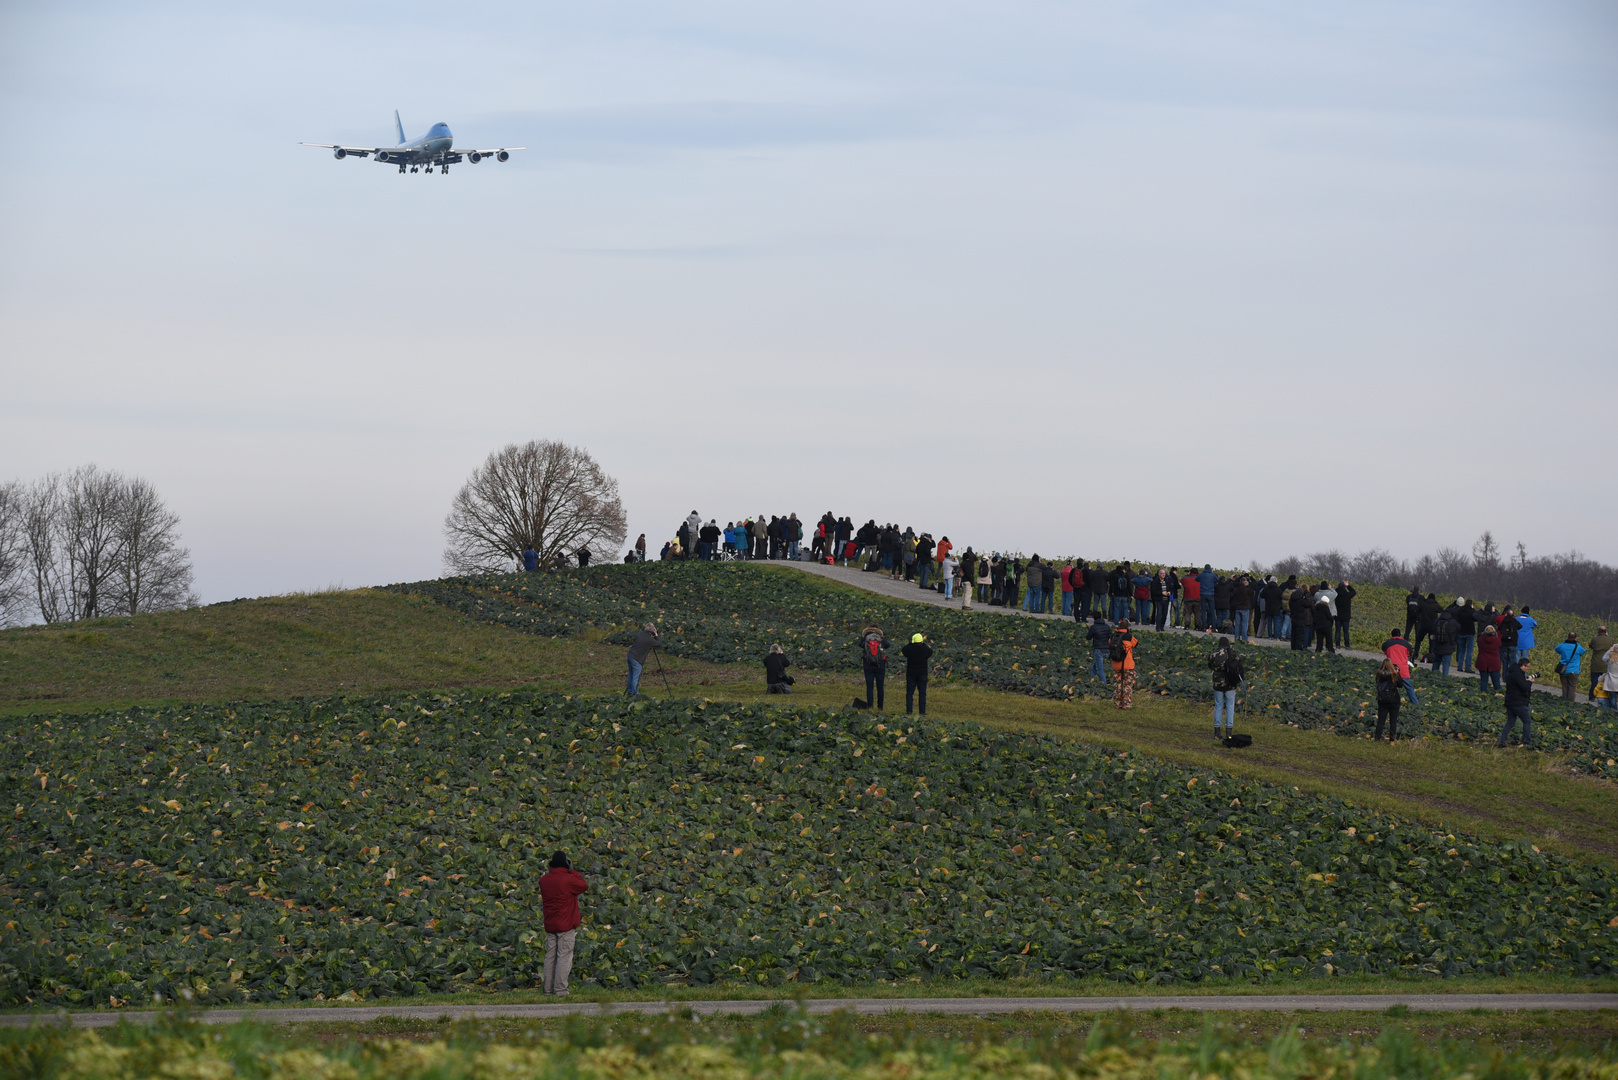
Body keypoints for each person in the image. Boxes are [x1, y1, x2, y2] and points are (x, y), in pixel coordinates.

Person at [539, 851, 588, 996]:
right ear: (565, 863)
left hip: (550, 923)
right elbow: (583, 886)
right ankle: (560, 990)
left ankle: (548, 990)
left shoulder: (544, 880)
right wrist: (572, 871)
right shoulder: (568, 879)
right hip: (566, 924)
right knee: (564, 956)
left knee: (550, 957)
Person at [1209, 636, 1243, 742]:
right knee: (1229, 707)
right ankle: (1229, 732)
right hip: (1230, 684)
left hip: (1218, 683)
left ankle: (1217, 732)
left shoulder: (1213, 654)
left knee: (1218, 706)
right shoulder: (1231, 653)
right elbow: (1240, 662)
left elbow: (1210, 665)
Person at [1500, 657, 1535, 747]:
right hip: (1518, 702)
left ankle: (1502, 741)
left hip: (1510, 702)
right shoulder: (1518, 674)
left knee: (1510, 721)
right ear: (1523, 665)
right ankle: (1527, 742)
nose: (1528, 668)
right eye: (1527, 666)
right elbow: (1524, 688)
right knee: (1527, 721)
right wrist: (1530, 682)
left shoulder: (1512, 672)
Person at [1381, 629, 1419, 704]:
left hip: (1391, 668)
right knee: (1408, 687)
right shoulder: (1406, 643)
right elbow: (1410, 651)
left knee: (1388, 686)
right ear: (1400, 635)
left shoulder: (1387, 643)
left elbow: (1384, 650)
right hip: (1403, 669)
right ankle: (1415, 702)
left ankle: (1388, 701)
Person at [1110, 619, 1140, 709]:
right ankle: (1126, 704)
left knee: (1118, 684)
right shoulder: (1129, 636)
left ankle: (1118, 703)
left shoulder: (1113, 636)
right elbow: (1136, 644)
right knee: (1127, 685)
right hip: (1127, 665)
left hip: (1116, 664)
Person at [901, 632, 933, 716]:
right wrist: (923, 644)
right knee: (922, 693)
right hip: (922, 673)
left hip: (911, 673)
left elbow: (904, 649)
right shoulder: (925, 649)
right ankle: (922, 712)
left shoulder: (909, 649)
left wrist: (911, 643)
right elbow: (930, 651)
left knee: (909, 693)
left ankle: (909, 711)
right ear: (921, 641)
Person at [859, 626, 890, 710]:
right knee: (880, 687)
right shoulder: (880, 638)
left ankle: (870, 706)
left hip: (868, 666)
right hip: (880, 666)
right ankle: (880, 706)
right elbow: (888, 645)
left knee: (869, 687)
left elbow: (860, 645)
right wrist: (881, 638)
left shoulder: (865, 638)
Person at [626, 622, 659, 696]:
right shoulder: (649, 640)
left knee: (630, 675)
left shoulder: (639, 634)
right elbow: (658, 644)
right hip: (637, 659)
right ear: (652, 631)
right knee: (635, 677)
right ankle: (634, 694)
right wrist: (656, 635)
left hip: (630, 656)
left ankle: (630, 692)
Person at [1373, 658, 1402, 741]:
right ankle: (1392, 740)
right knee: (1393, 721)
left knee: (1381, 720)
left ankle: (1377, 738)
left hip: (1382, 700)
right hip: (1394, 700)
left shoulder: (1379, 674)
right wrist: (1397, 672)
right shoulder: (1394, 674)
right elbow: (1400, 685)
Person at [1553, 634, 1587, 700]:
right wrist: (1576, 643)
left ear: (1567, 637)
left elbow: (1557, 649)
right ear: (1576, 639)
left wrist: (1565, 641)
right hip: (1574, 670)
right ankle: (1570, 703)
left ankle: (1564, 701)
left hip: (1563, 670)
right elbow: (1583, 651)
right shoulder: (1578, 647)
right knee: (1572, 688)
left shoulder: (1563, 645)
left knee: (1564, 688)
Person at [1429, 607, 1459, 675]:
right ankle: (1444, 678)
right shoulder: (1453, 622)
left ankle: (1433, 676)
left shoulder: (1437, 621)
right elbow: (1458, 628)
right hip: (1448, 647)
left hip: (1437, 646)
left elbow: (1433, 630)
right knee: (1446, 664)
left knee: (1436, 662)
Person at [1476, 624, 1503, 692]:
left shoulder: (1481, 639)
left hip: (1483, 661)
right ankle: (1498, 695)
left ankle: (1483, 694)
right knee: (1496, 681)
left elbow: (1478, 642)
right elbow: (1499, 645)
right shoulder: (1497, 640)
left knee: (1484, 680)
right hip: (1494, 662)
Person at [1451, 597, 1476, 673]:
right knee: (1469, 651)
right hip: (1470, 633)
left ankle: (1459, 666)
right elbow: (1476, 618)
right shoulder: (1472, 611)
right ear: (1471, 604)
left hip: (1461, 632)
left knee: (1461, 650)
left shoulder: (1460, 611)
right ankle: (1468, 667)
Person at [1086, 613, 1111, 684]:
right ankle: (1091, 679)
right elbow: (1110, 637)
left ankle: (1104, 684)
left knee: (1099, 669)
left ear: (1094, 618)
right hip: (1107, 649)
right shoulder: (1107, 626)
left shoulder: (1093, 627)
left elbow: (1088, 637)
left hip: (1098, 649)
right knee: (1095, 665)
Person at [1590, 626, 1614, 701]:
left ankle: (1592, 696)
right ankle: (1603, 696)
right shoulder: (1610, 639)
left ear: (1598, 632)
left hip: (1595, 663)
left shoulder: (1594, 639)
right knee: (1605, 682)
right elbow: (1612, 647)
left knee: (1594, 681)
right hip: (1605, 664)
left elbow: (1591, 646)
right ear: (1606, 632)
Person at [1333, 581, 1357, 650]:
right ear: (1344, 587)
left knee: (1337, 631)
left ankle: (1337, 645)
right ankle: (1347, 645)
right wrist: (1348, 585)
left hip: (1338, 616)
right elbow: (1353, 592)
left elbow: (1332, 592)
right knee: (1346, 632)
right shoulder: (1347, 595)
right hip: (1346, 616)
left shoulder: (1336, 595)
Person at [1229, 575, 1254, 642]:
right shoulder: (1248, 590)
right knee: (1245, 624)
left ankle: (1236, 638)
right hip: (1245, 608)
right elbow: (1252, 593)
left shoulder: (1236, 590)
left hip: (1238, 608)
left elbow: (1233, 594)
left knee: (1237, 624)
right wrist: (1248, 586)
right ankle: (1244, 639)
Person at [1600, 641, 1618, 711]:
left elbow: (1603, 657)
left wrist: (1609, 650)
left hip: (1611, 682)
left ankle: (1614, 712)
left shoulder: (1610, 659)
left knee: (1613, 698)